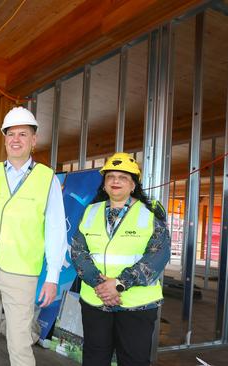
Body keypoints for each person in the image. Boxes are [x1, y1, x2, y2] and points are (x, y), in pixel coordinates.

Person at [0, 106, 67, 366]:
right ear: (4, 140)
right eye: (10, 134)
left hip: (22, 273)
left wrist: (52, 278)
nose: (16, 139)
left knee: (20, 342)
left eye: (23, 134)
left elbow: (56, 229)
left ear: (33, 140)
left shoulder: (47, 178)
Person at [70, 152, 170, 366]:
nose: (115, 181)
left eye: (123, 177)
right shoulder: (90, 211)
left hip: (137, 305)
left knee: (133, 361)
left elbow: (158, 255)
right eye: (110, 177)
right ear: (104, 184)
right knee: (94, 359)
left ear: (133, 184)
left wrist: (119, 284)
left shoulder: (150, 214)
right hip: (96, 301)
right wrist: (101, 285)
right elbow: (78, 251)